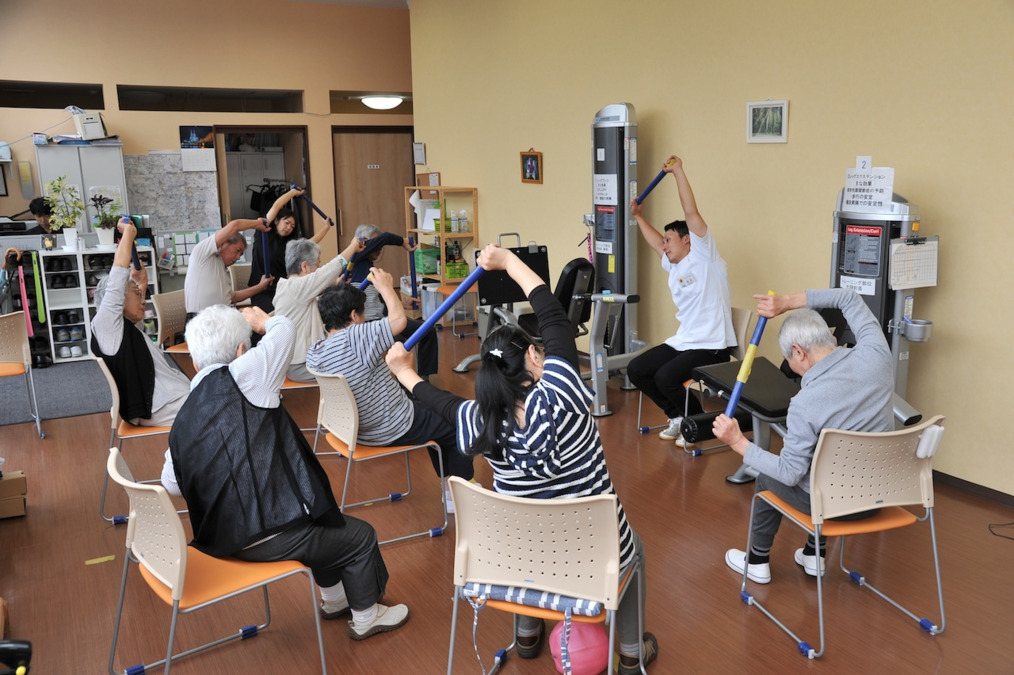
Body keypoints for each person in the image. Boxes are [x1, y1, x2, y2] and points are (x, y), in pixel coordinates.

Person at [385, 244, 657, 674]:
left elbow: (438, 402)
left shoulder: (479, 420)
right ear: (534, 357)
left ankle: (527, 636)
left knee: (531, 538)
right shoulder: (562, 393)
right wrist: (510, 262)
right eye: (539, 350)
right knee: (634, 550)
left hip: (519, 560)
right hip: (591, 560)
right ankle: (630, 653)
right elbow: (552, 316)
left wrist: (403, 371)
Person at [161, 305, 409, 640]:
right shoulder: (246, 373)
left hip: (221, 540)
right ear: (240, 351)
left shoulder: (184, 412)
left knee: (322, 518)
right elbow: (285, 330)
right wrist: (262, 322)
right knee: (358, 537)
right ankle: (367, 615)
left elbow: (171, 485)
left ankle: (335, 600)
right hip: (268, 536)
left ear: (193, 361)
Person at [714, 288, 893, 584]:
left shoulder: (804, 404)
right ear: (832, 341)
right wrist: (786, 302)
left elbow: (788, 472)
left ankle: (757, 561)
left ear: (799, 352)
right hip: (880, 498)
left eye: (790, 359)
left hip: (834, 508)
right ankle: (814, 555)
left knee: (766, 478)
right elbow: (848, 298)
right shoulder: (877, 353)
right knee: (822, 466)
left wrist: (739, 443)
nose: (793, 367)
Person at [306, 266, 475, 510]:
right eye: (362, 316)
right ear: (354, 316)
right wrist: (386, 287)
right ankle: (459, 492)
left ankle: (450, 483)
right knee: (459, 419)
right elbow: (398, 321)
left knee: (436, 406)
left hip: (357, 430)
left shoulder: (316, 352)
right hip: (390, 426)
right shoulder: (355, 336)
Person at [627, 154, 737, 445]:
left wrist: (678, 172)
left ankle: (697, 424)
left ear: (687, 239)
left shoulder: (704, 256)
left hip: (712, 346)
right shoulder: (675, 264)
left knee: (665, 377)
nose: (664, 245)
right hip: (685, 341)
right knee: (636, 370)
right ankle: (678, 417)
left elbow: (691, 212)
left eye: (669, 240)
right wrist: (638, 216)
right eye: (664, 241)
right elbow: (654, 242)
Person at [91, 217, 190, 426]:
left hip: (168, 398)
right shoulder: (106, 325)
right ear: (116, 299)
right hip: (157, 406)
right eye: (137, 294)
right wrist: (127, 233)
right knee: (229, 405)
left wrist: (141, 283)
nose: (143, 301)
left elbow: (135, 300)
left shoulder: (123, 329)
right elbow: (118, 275)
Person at [347, 224, 439, 380]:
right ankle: (405, 383)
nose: (379, 248)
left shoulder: (370, 267)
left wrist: (403, 304)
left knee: (427, 331)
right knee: (400, 345)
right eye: (375, 244)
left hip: (384, 320)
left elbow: (380, 299)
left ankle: (423, 379)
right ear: (363, 243)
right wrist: (403, 241)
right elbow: (385, 238)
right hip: (367, 324)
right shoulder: (355, 259)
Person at [272, 235, 364, 382]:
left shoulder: (290, 287)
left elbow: (318, 293)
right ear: (304, 266)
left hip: (304, 361)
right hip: (302, 365)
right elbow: (329, 270)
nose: (319, 268)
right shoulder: (295, 287)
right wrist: (352, 247)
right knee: (356, 369)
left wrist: (335, 283)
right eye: (317, 265)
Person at [246, 187, 329, 313]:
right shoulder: (263, 232)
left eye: (292, 226)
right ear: (277, 221)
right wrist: (293, 193)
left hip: (282, 289)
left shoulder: (290, 244)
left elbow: (310, 243)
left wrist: (326, 227)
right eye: (287, 222)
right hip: (261, 290)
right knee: (275, 315)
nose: (289, 227)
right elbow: (276, 206)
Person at [182, 217, 273, 322]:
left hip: (222, 319)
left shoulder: (222, 269)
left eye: (241, 254)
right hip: (201, 320)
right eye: (237, 250)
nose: (238, 257)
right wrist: (257, 224)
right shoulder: (202, 253)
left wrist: (260, 287)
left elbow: (233, 297)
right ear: (224, 242)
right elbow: (235, 226)